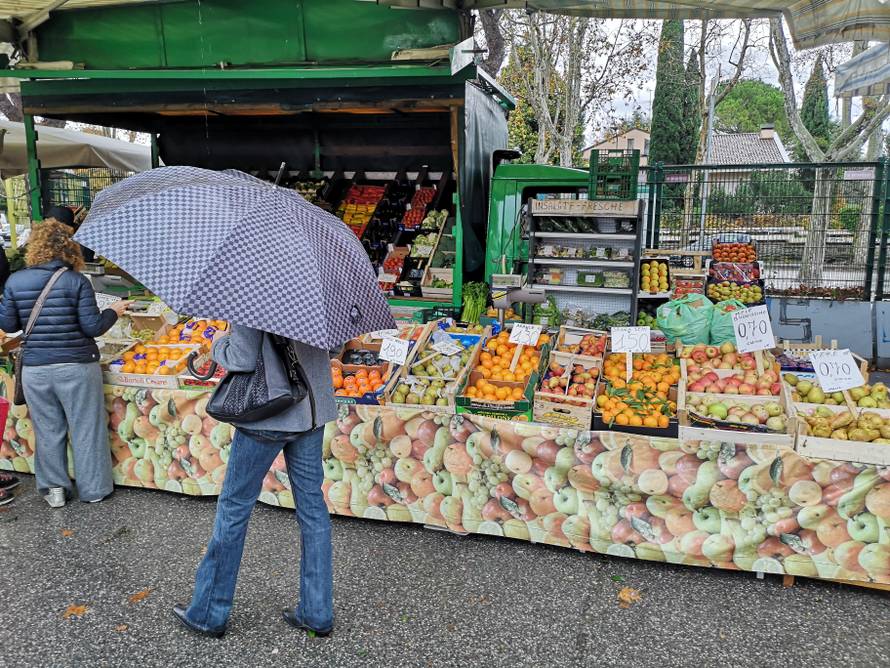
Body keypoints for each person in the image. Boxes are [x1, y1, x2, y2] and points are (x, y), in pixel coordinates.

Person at [173, 324, 336, 639]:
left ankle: (209, 612)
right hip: (312, 410)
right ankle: (317, 612)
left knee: (234, 507)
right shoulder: (315, 288)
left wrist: (218, 344)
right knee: (313, 510)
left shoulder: (255, 289)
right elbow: (334, 348)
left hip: (269, 411)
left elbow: (243, 357)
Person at [0, 220, 130, 507]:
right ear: (69, 248)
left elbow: (8, 324)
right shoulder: (75, 281)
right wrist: (113, 311)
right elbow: (93, 326)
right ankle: (94, 490)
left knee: (47, 431)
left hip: (35, 369)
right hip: (76, 367)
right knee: (86, 427)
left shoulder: (15, 281)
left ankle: (54, 491)